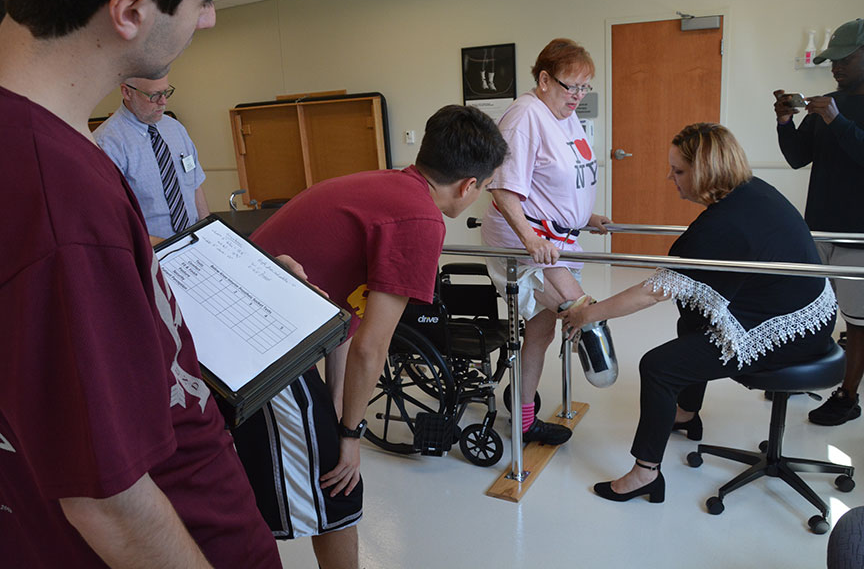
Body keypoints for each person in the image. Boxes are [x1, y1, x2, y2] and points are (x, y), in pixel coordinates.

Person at [0, 0, 282, 568]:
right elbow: (107, 496)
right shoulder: (59, 191)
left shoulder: (54, 144)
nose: (207, 19)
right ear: (130, 11)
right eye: (203, 2)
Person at [231, 104, 508, 569]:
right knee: (337, 480)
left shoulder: (386, 186)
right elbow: (372, 347)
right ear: (469, 187)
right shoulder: (422, 219)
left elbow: (344, 322)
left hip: (242, 320)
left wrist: (340, 411)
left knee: (320, 451)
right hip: (259, 343)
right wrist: (351, 436)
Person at [560, 123, 837, 503]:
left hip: (794, 331)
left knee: (658, 367)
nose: (670, 178)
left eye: (678, 171)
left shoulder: (720, 225)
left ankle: (645, 474)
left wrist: (588, 315)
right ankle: (687, 414)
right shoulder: (751, 192)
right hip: (812, 310)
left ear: (705, 170)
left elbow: (651, 292)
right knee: (691, 314)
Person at [480, 38, 610, 445]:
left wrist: (585, 216)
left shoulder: (564, 117)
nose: (577, 96)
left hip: (558, 240)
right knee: (584, 314)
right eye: (570, 86)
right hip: (528, 242)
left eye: (584, 87)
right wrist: (530, 239)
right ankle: (598, 368)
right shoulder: (525, 116)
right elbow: (501, 190)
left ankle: (522, 418)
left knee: (541, 332)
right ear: (543, 79)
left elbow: (556, 180)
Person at [774, 18, 864, 426]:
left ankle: (847, 397)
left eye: (845, 59)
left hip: (857, 236)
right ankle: (807, 374)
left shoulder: (833, 109)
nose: (836, 67)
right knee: (811, 308)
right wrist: (784, 121)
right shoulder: (827, 101)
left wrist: (836, 120)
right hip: (818, 229)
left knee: (857, 322)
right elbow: (797, 157)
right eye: (833, 60)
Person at [95, 75, 210, 245]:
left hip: (193, 243)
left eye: (166, 93)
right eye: (154, 95)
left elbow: (195, 187)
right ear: (127, 92)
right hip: (151, 253)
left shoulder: (175, 129)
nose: (163, 102)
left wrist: (208, 234)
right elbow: (109, 221)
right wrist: (167, 247)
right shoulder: (107, 143)